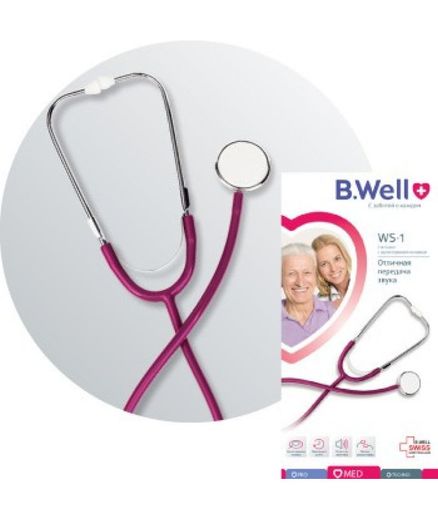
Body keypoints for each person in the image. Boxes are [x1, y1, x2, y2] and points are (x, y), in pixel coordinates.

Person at [281, 243, 335, 347]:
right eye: (291, 274)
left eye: (307, 273)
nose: (300, 282)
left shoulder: (334, 312)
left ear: (316, 276)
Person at [311, 234, 352, 309]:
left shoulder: (365, 282)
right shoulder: (320, 302)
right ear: (317, 269)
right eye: (324, 264)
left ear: (345, 257)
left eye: (337, 259)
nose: (333, 268)